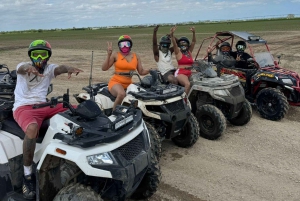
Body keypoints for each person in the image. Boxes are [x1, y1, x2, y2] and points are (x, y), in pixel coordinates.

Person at [12, 39, 83, 200]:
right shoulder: (22, 66)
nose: (38, 57)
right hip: (24, 107)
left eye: (42, 54)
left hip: (44, 105)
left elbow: (59, 68)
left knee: (77, 109)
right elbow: (22, 69)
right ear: (30, 56)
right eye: (34, 54)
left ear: (47, 56)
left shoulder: (49, 68)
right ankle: (28, 174)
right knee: (31, 129)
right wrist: (28, 68)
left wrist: (68, 68)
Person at [102, 35, 150, 111]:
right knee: (121, 94)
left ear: (130, 45)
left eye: (127, 44)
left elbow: (141, 71)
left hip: (129, 83)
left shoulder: (136, 56)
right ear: (119, 46)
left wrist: (151, 70)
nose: (124, 46)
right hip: (116, 82)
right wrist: (108, 55)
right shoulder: (115, 55)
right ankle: (114, 113)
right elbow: (104, 68)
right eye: (122, 44)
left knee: (141, 94)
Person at [170, 26, 196, 95]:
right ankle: (184, 101)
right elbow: (174, 44)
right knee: (187, 84)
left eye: (185, 44)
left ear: (187, 45)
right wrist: (172, 35)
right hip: (181, 72)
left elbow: (193, 42)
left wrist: (194, 33)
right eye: (181, 44)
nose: (183, 45)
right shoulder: (178, 53)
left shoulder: (189, 52)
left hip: (189, 71)